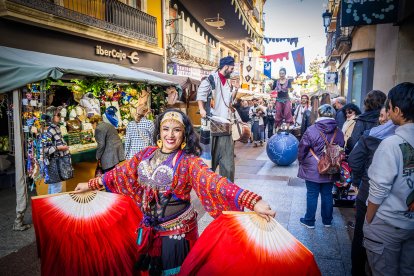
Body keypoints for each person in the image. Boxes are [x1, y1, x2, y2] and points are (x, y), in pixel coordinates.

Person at [75, 109, 276, 275]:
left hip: (176, 235)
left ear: (184, 134)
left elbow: (216, 183)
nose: (170, 135)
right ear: (159, 132)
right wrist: (91, 184)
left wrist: (253, 201)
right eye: (166, 129)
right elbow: (120, 173)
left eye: (176, 130)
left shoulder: (189, 162)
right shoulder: (145, 154)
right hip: (147, 230)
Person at [363, 82, 414, 275]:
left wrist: (369, 219)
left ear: (398, 111)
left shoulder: (391, 144)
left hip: (387, 224)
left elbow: (378, 189)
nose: (388, 111)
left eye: (389, 107)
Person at [348, 100, 397, 276]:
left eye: (386, 115)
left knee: (363, 233)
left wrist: (361, 178)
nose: (383, 119)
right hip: (398, 205)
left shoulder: (374, 135)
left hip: (370, 192)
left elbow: (354, 159)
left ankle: (358, 270)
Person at [297, 104, 345, 228]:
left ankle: (309, 221)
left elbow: (302, 148)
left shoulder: (311, 130)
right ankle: (327, 221)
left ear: (319, 114)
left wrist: (301, 161)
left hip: (313, 166)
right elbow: (341, 147)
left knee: (312, 193)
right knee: (327, 194)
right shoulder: (338, 131)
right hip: (331, 167)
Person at [197, 56, 238, 182]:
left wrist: (236, 89)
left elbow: (229, 101)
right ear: (225, 67)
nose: (232, 71)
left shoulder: (229, 82)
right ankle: (207, 188)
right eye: (231, 68)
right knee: (208, 163)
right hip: (211, 125)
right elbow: (201, 95)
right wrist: (202, 109)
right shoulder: (210, 79)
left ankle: (227, 188)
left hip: (225, 126)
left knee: (228, 164)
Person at [42, 106, 70, 194]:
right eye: (58, 115)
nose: (60, 116)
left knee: (54, 185)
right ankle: (54, 206)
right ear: (51, 116)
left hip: (57, 160)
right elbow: (44, 149)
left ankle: (50, 205)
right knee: (56, 187)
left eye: (60, 114)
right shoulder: (49, 130)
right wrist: (59, 148)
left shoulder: (56, 128)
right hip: (53, 161)